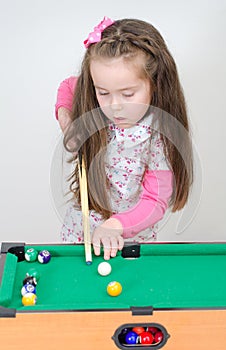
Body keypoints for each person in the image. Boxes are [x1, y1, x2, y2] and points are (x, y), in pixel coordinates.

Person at [55, 16, 193, 260]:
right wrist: (67, 120)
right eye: (103, 93)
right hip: (79, 236)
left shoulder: (159, 137)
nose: (115, 106)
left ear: (155, 84)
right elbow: (68, 87)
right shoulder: (95, 95)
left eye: (128, 94)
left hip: (130, 244)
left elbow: (154, 201)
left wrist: (114, 226)